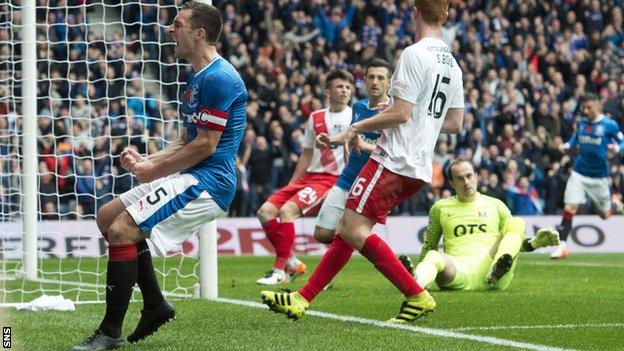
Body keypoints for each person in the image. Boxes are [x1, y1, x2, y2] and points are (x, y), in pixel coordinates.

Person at [261, 0, 465, 323]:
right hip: (419, 166)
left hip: (393, 159)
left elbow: (401, 113)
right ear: (446, 14)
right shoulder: (453, 65)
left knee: (354, 230)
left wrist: (357, 126)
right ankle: (301, 298)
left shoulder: (414, 54)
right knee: (348, 229)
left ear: (414, 11)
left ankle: (416, 294)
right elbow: (454, 123)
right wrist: (421, 124)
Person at [71, 2, 248, 349]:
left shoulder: (221, 78)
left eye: (177, 24)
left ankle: (110, 333)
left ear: (198, 33)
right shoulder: (197, 76)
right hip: (193, 175)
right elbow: (186, 138)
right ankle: (154, 304)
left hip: (211, 183)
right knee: (108, 217)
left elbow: (207, 145)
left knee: (123, 230)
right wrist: (145, 159)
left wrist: (153, 171)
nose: (170, 30)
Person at [398, 160, 559, 292]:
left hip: (489, 266)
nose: (466, 182)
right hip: (456, 272)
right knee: (433, 255)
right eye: (460, 178)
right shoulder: (439, 208)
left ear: (476, 177)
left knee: (516, 223)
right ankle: (416, 283)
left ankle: (497, 268)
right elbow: (429, 246)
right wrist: (422, 267)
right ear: (452, 183)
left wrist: (535, 243)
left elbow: (515, 241)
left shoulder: (495, 205)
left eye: (469, 176)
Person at [255, 70, 353, 285]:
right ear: (328, 91)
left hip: (331, 179)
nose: (344, 90)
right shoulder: (315, 117)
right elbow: (307, 153)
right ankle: (292, 262)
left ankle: (279, 270)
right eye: (339, 86)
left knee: (287, 211)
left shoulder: (354, 117)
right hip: (308, 177)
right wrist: (293, 183)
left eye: (347, 87)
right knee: (265, 212)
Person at [313, 58, 392, 245]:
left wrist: (367, 147)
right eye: (371, 77)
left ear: (389, 82)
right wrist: (329, 140)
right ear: (364, 80)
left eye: (381, 78)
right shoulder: (358, 107)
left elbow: (395, 152)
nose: (375, 82)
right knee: (322, 234)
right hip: (347, 178)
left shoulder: (393, 113)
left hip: (370, 183)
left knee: (347, 233)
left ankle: (389, 260)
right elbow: (350, 134)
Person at [551, 93, 624, 259]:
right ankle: (562, 247)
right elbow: (575, 139)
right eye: (583, 107)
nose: (585, 111)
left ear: (598, 105)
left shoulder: (609, 125)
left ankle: (613, 203)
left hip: (599, 177)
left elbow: (622, 142)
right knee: (570, 207)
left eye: (589, 107)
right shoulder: (582, 122)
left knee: (604, 215)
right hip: (579, 172)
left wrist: (617, 149)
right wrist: (567, 145)